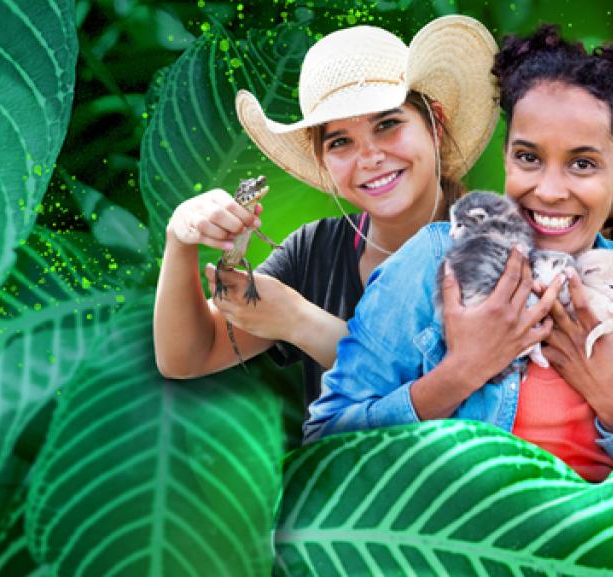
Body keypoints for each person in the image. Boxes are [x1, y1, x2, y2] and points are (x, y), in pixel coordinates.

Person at [305, 25, 613, 481]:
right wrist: (461, 371)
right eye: (528, 158)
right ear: (506, 156)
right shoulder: (433, 263)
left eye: (583, 164)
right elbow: (325, 447)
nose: (550, 190)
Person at [153, 16, 500, 413]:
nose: (370, 157)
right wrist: (179, 240)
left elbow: (468, 398)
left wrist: (300, 321)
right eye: (340, 142)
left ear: (435, 124)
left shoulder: (495, 245)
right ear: (322, 161)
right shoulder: (312, 249)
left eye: (387, 124)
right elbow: (186, 357)